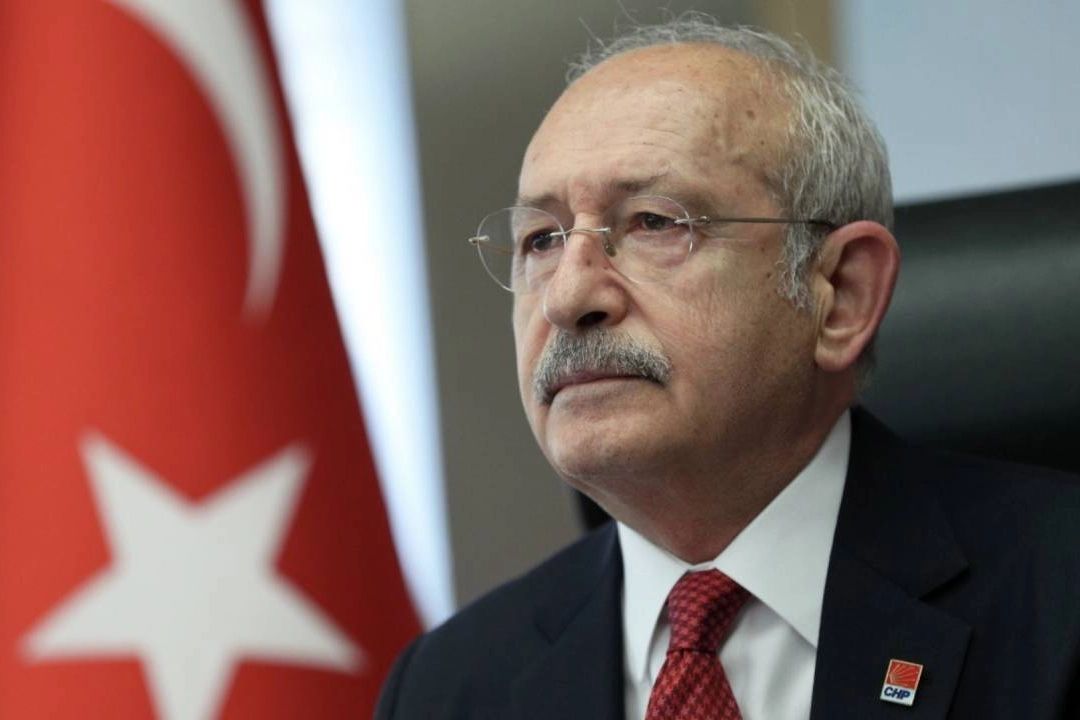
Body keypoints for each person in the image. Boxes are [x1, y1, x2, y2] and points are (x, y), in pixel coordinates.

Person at [376, 15, 1080, 720]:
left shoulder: (1059, 599)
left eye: (654, 222)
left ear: (841, 295)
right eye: (540, 240)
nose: (567, 297)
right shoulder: (448, 687)